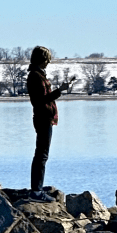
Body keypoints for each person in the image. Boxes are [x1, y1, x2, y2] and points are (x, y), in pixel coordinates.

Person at [26, 45, 71, 201]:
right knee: (41, 155)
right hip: (43, 118)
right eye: (47, 60)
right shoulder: (35, 76)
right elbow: (40, 100)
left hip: (44, 118)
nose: (48, 63)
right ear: (42, 60)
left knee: (41, 155)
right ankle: (36, 192)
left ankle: (37, 189)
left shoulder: (38, 74)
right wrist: (60, 91)